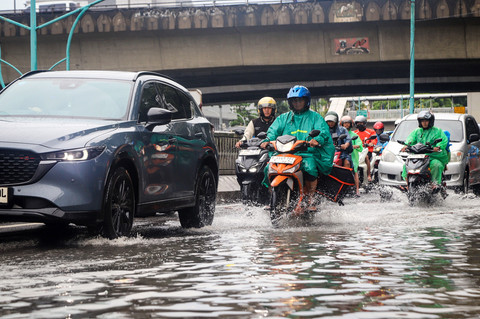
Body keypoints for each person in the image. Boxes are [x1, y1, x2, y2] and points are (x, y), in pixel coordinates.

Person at [260, 85, 334, 208]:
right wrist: (268, 140)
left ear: (306, 101)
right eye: (294, 100)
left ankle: (310, 199)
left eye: (300, 100)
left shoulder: (315, 117)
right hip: (284, 153)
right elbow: (273, 131)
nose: (297, 103)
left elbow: (323, 131)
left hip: (307, 153)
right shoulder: (283, 118)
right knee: (268, 169)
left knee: (310, 168)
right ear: (290, 102)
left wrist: (317, 139)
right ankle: (272, 197)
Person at [400, 111, 449, 188]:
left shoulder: (437, 131)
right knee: (406, 166)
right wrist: (406, 146)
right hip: (419, 157)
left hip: (433, 156)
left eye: (426, 121)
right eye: (422, 121)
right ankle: (407, 185)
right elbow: (410, 139)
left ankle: (434, 184)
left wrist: (438, 147)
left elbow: (443, 140)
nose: (424, 123)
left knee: (436, 165)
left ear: (430, 121)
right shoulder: (417, 131)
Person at [341, 115, 363, 196]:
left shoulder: (353, 134)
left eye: (348, 123)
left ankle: (357, 189)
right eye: (345, 123)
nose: (346, 125)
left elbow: (359, 145)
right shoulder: (339, 133)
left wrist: (352, 146)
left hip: (352, 155)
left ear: (351, 124)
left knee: (355, 171)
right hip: (341, 154)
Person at [354, 115, 375, 182]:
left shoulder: (370, 132)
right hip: (357, 151)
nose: (359, 124)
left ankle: (368, 175)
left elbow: (374, 140)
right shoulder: (354, 133)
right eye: (358, 123)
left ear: (364, 123)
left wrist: (370, 144)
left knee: (366, 157)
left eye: (361, 123)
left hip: (367, 151)